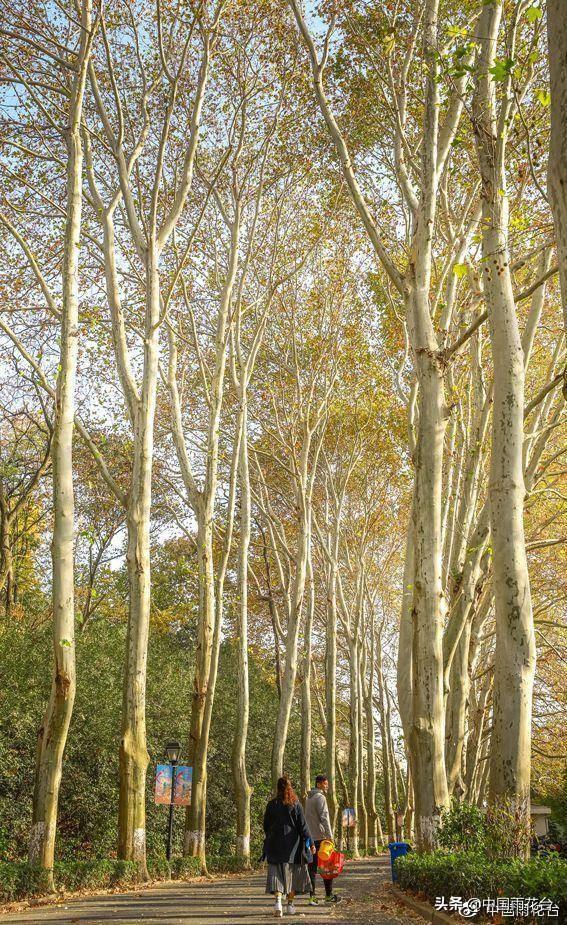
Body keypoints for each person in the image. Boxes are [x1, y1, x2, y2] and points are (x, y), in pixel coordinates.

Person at [263, 776, 315, 917]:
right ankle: (290, 905)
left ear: (277, 788)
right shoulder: (295, 804)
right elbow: (303, 827)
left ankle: (278, 903)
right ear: (290, 787)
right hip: (294, 848)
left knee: (277, 876)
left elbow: (266, 826)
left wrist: (271, 837)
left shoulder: (271, 804)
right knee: (294, 877)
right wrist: (310, 843)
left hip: (275, 847)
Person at [305, 774, 341, 905]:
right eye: (325, 783)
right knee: (328, 867)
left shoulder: (308, 798)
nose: (327, 786)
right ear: (319, 784)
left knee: (312, 868)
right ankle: (328, 895)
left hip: (310, 838)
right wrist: (330, 837)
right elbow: (324, 817)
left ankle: (312, 897)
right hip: (321, 838)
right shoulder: (320, 797)